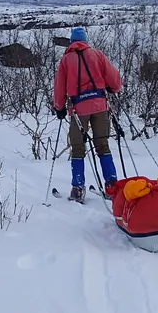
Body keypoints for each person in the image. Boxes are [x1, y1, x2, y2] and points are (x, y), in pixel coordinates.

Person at [53, 27, 124, 202]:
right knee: (103, 145)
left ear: (72, 42)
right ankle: (112, 187)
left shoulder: (66, 60)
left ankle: (78, 189)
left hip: (78, 109)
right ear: (85, 41)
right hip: (100, 106)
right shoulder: (97, 54)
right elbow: (114, 79)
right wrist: (113, 88)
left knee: (78, 148)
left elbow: (60, 86)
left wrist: (59, 107)